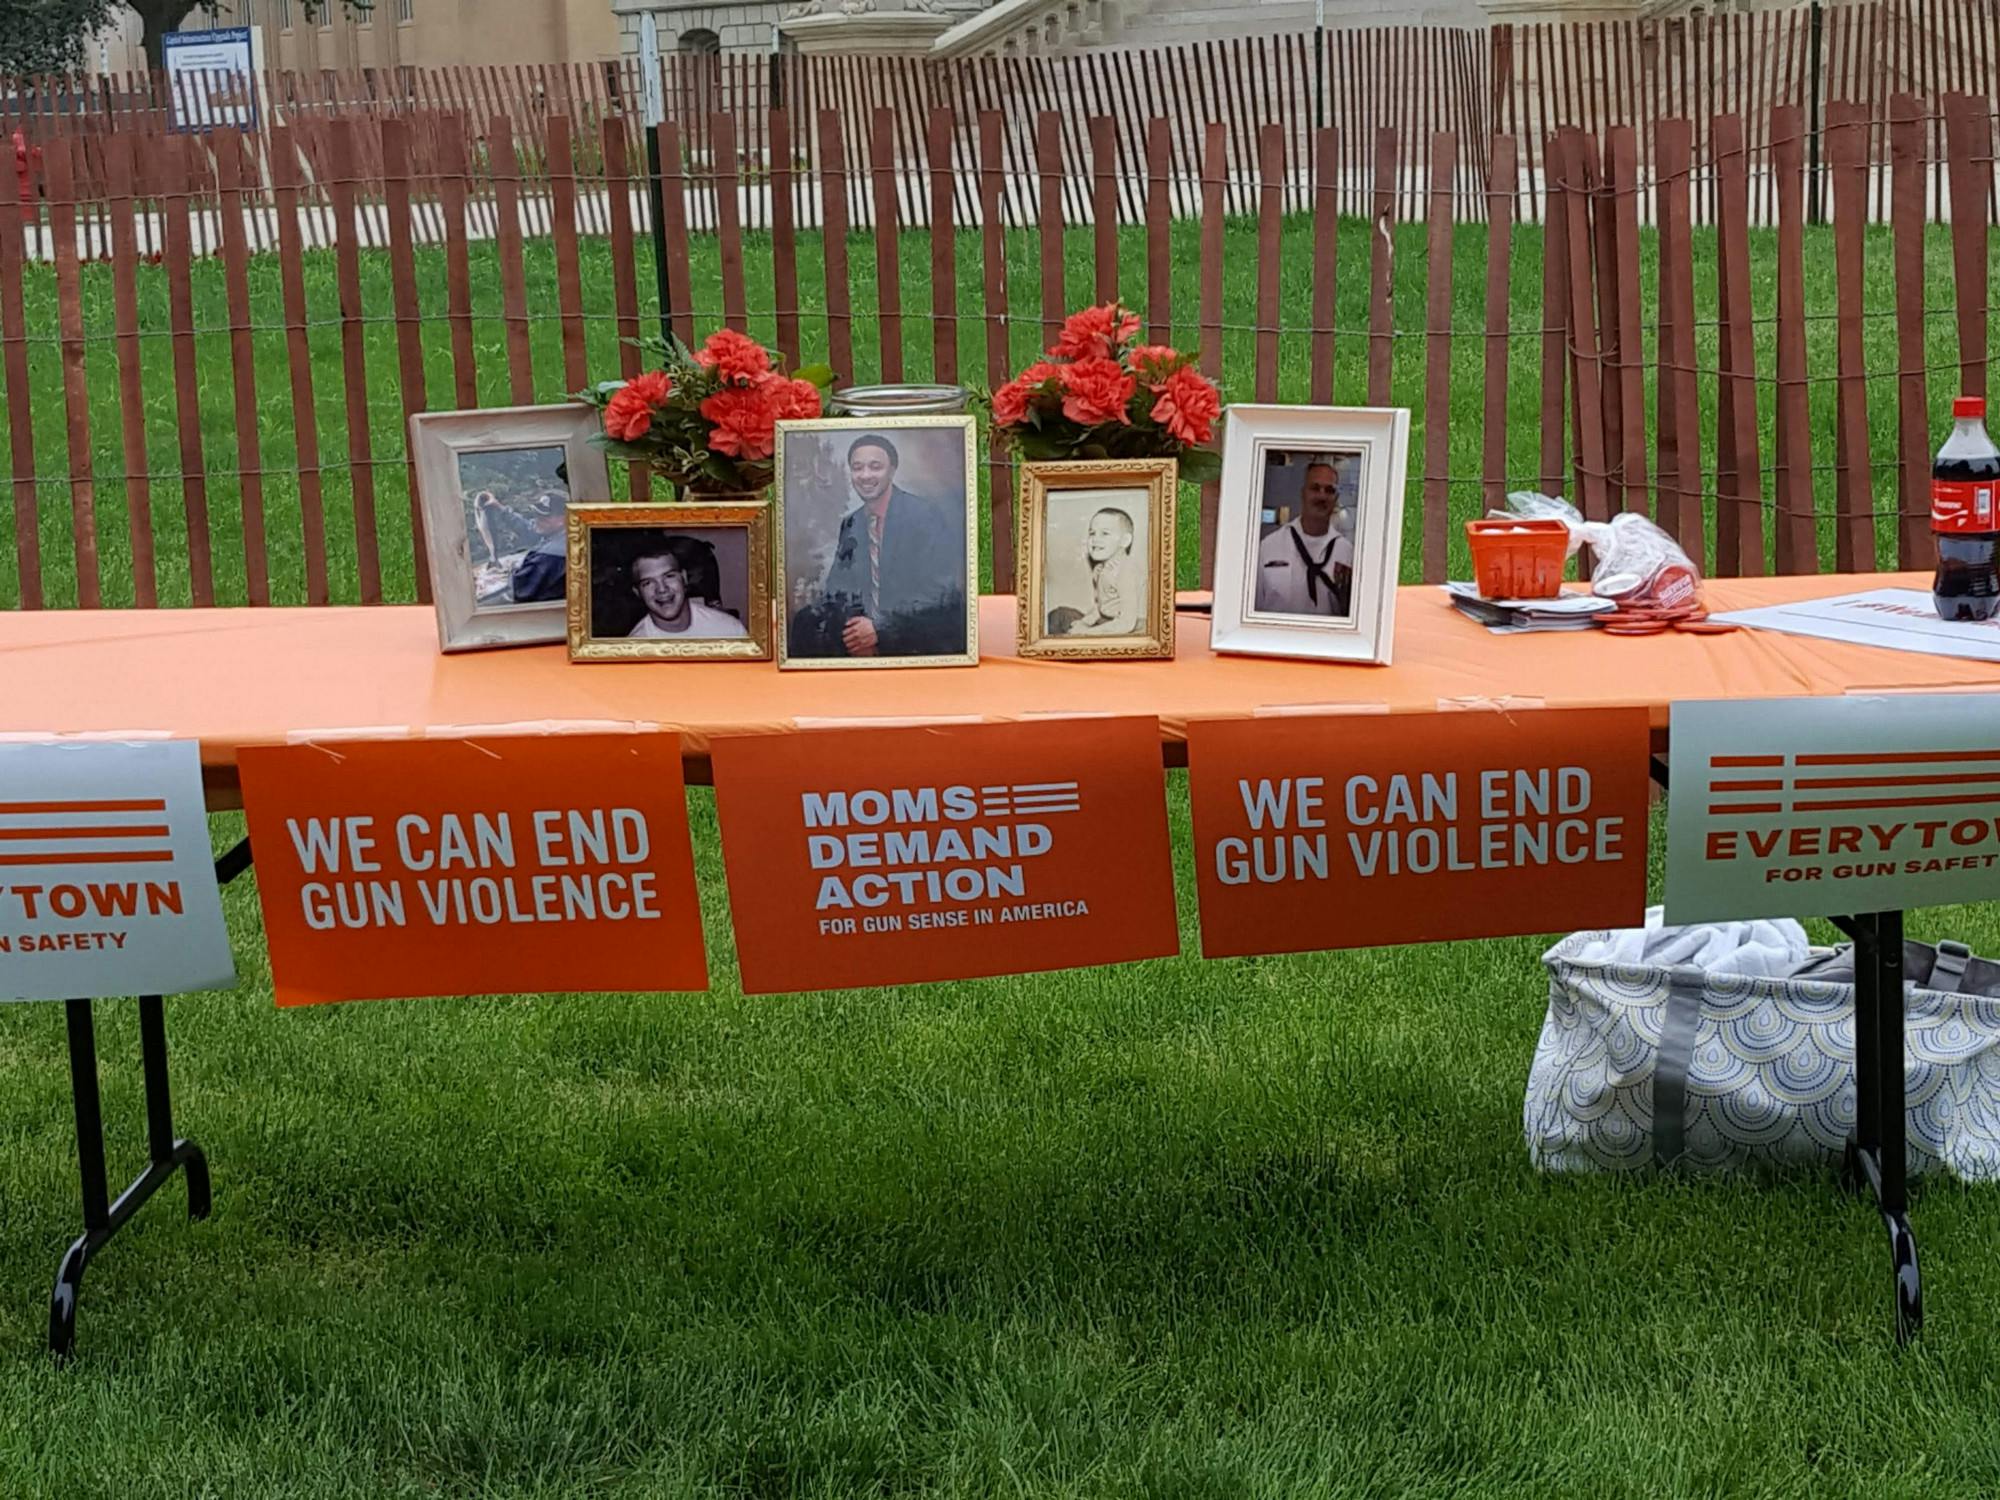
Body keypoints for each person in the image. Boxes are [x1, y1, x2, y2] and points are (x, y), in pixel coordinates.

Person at [791, 433, 966, 658]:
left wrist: (880, 629)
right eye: (857, 468)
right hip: (863, 637)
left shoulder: (924, 516)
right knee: (803, 623)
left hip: (914, 636)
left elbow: (940, 593)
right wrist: (855, 631)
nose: (865, 476)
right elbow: (839, 588)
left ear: (892, 471)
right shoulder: (851, 524)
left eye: (875, 467)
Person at [1254, 457, 1354, 616]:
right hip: (1276, 637)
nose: (1322, 496)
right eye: (1315, 488)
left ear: (1336, 499)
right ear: (1303, 493)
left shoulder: (1346, 553)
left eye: (1329, 490)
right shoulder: (1269, 547)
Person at [624, 539, 746, 639]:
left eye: (669, 576)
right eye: (648, 583)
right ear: (637, 592)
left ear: (684, 578)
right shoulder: (633, 650)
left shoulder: (730, 630)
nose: (661, 589)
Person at [1055, 506, 1141, 636]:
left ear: (1125, 541)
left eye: (1105, 533)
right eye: (1092, 533)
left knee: (1062, 621)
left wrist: (1087, 633)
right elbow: (1101, 607)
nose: (1095, 539)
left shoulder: (1126, 571)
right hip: (1108, 623)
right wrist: (1085, 622)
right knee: (1060, 614)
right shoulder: (1100, 569)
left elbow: (1127, 623)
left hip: (1130, 630)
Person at [499, 492, 569, 604]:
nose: (538, 519)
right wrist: (500, 509)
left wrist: (513, 570)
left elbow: (517, 591)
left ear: (563, 519)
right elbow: (529, 529)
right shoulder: (561, 533)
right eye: (537, 514)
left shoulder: (549, 556)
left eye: (545, 517)